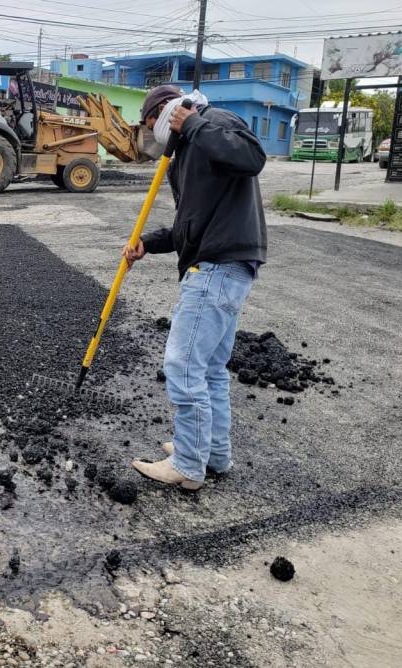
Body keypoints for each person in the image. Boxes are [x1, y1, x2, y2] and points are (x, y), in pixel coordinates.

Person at [124, 85, 267, 490]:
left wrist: (196, 125)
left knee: (183, 367)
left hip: (216, 269)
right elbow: (190, 226)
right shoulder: (190, 151)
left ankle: (188, 464)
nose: (152, 134)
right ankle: (214, 454)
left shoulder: (212, 123)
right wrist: (147, 244)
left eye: (151, 124)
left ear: (165, 113)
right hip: (224, 265)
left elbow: (253, 158)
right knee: (210, 370)